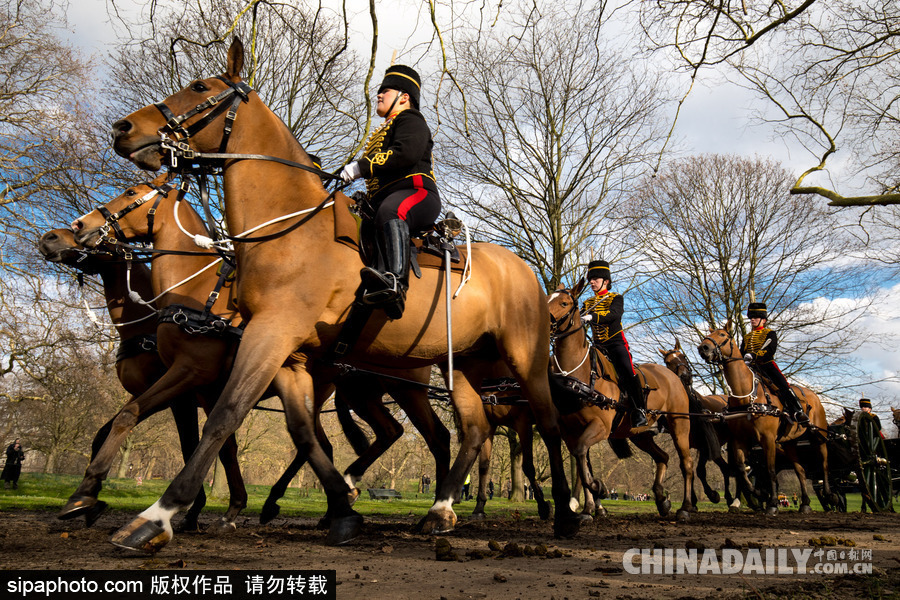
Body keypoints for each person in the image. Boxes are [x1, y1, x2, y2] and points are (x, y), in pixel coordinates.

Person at [340, 65, 442, 320]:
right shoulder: (385, 128)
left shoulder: (411, 119)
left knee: (392, 210)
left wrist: (361, 167)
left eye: (385, 91)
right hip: (383, 198)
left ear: (404, 97)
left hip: (415, 191)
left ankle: (395, 284)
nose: (379, 95)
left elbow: (405, 153)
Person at [581, 260, 647, 428]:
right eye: (590, 279)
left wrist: (592, 317)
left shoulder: (615, 298)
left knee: (627, 369)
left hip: (616, 343)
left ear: (606, 281)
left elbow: (614, 315)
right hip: (597, 346)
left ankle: (640, 410)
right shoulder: (587, 303)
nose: (592, 282)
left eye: (595, 279)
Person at [740, 302, 808, 425]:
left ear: (763, 320)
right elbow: (742, 352)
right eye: (751, 318)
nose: (753, 320)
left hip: (767, 366)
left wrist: (755, 356)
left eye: (755, 317)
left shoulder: (770, 334)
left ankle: (797, 410)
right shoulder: (746, 337)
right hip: (751, 368)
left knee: (783, 385)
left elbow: (770, 351)